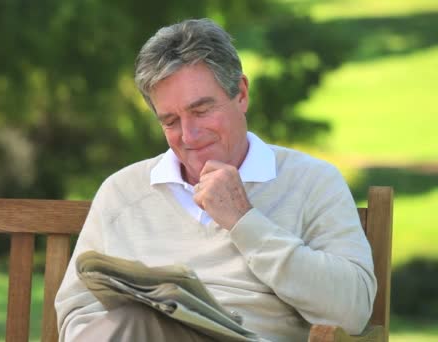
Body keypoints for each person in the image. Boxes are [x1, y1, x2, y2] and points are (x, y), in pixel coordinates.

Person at [55, 18, 376, 342]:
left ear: (241, 94)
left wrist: (244, 221)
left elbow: (351, 311)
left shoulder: (312, 182)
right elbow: (79, 313)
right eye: (171, 121)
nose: (189, 135)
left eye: (201, 110)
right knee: (137, 320)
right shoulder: (123, 192)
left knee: (138, 320)